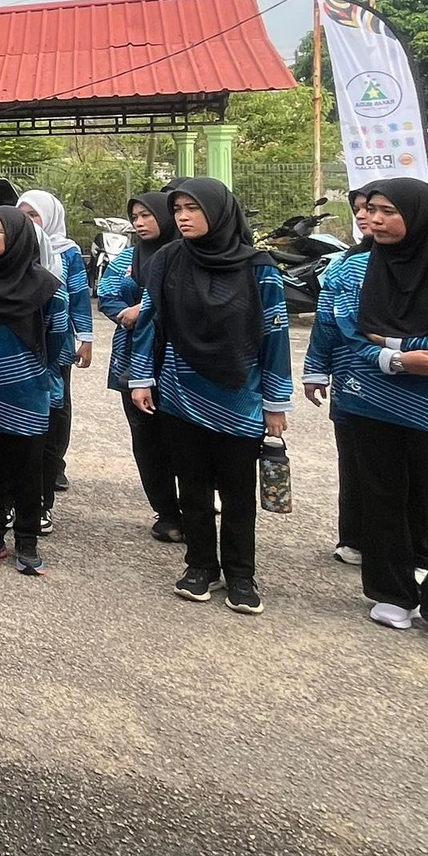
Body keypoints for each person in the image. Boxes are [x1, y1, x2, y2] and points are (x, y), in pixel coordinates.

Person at [303, 178, 428, 649]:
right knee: (380, 498)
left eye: (388, 210)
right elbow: (347, 330)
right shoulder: (353, 271)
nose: (374, 219)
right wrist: (395, 358)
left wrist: (392, 343)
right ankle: (391, 591)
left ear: (421, 215)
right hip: (369, 402)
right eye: (369, 209)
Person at [128, 178, 291, 616]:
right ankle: (200, 566)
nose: (182, 216)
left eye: (193, 208)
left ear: (218, 211)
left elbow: (274, 336)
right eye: (178, 208)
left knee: (238, 493)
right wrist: (140, 378)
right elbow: (150, 319)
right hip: (181, 391)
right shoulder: (167, 260)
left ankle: (241, 575)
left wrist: (276, 403)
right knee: (193, 487)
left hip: (241, 395)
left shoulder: (259, 268)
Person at [0, 208, 71, 576]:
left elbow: (58, 339)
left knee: (27, 469)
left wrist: (41, 378)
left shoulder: (48, 287)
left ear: (17, 238)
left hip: (27, 390)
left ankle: (27, 541)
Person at [97, 189, 183, 542]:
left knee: (183, 437)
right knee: (146, 439)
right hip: (132, 358)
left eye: (147, 215)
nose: (140, 223)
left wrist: (144, 306)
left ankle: (195, 504)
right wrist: (124, 312)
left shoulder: (187, 257)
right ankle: (166, 511)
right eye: (135, 217)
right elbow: (107, 295)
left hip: (179, 360)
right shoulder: (126, 260)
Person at [306, 189, 375, 566]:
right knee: (354, 461)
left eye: (376, 209)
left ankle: (419, 548)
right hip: (353, 381)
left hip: (422, 386)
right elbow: (327, 323)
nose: (366, 217)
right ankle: (356, 537)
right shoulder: (345, 265)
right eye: (361, 210)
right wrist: (316, 368)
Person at [17, 189, 93, 528]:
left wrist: (86, 338)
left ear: (49, 217)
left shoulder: (68, 251)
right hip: (21, 340)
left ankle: (54, 463)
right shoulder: (13, 246)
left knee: (57, 403)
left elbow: (78, 295)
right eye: (22, 214)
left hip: (57, 340)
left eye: (33, 215)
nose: (27, 222)